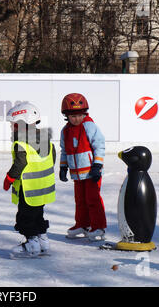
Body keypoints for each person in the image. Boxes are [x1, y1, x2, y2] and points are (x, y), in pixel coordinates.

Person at [3, 102, 56, 258]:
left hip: (28, 189)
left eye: (13, 124)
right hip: (43, 188)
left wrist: (9, 178)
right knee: (38, 214)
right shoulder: (46, 139)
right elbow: (51, 160)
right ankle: (43, 241)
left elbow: (20, 164)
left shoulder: (20, 143)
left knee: (25, 217)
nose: (12, 128)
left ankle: (32, 244)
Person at [59, 93, 107, 241]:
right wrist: (63, 167)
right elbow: (65, 151)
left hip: (91, 172)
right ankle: (82, 225)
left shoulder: (89, 126)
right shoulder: (65, 131)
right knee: (80, 201)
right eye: (73, 116)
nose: (77, 119)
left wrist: (97, 165)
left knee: (93, 200)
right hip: (76, 174)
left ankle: (98, 227)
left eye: (80, 115)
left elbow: (99, 145)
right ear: (66, 115)